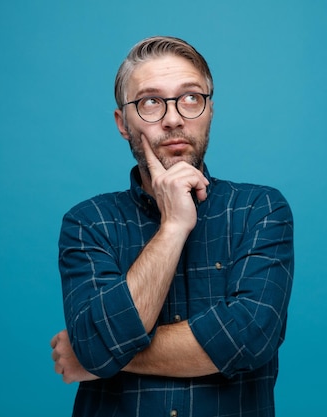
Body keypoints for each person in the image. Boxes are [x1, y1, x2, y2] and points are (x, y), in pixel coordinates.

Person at [50, 35, 295, 417]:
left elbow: (248, 337)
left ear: (209, 110)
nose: (174, 117)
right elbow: (97, 345)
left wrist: (98, 356)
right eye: (150, 102)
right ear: (122, 123)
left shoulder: (259, 210)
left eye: (190, 98)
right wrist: (174, 227)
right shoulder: (88, 222)